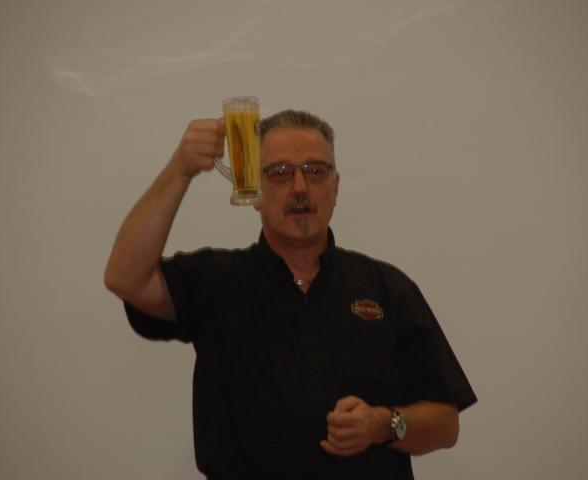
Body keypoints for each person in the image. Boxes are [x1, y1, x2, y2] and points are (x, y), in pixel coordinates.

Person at [104, 109, 477, 479]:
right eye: (280, 172)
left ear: (335, 187)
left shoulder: (386, 288)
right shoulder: (216, 281)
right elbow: (125, 278)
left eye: (315, 171)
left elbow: (446, 425)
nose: (300, 187)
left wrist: (383, 424)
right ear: (253, 190)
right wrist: (180, 169)